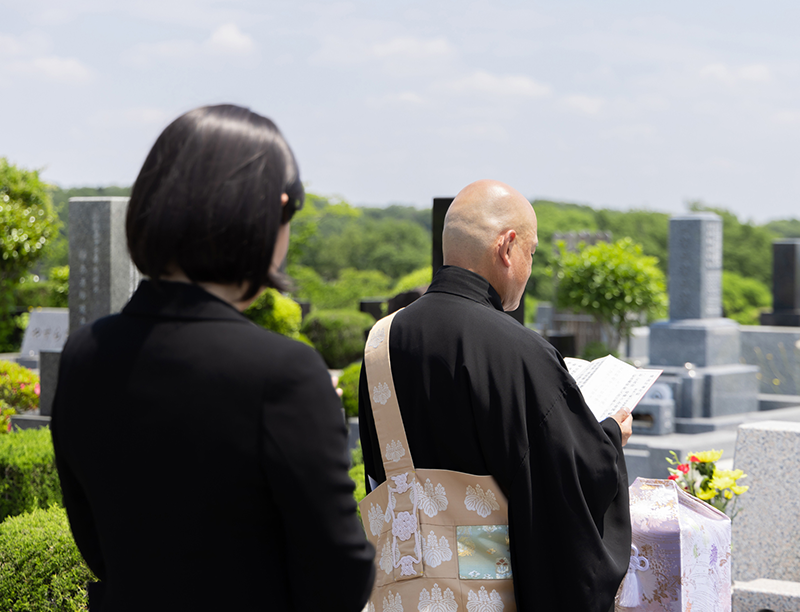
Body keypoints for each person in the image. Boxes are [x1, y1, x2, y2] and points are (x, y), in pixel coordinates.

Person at [52, 104, 375, 611]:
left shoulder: (85, 353)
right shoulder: (283, 373)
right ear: (271, 213)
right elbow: (339, 574)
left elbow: (95, 543)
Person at [359, 179, 632, 612]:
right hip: (487, 596)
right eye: (531, 252)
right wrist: (608, 438)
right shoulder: (519, 351)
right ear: (507, 247)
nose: (528, 267)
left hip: (401, 591)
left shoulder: (382, 341)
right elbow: (564, 482)